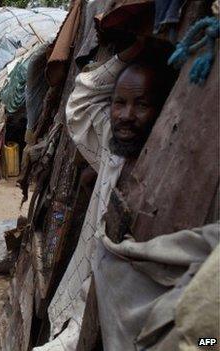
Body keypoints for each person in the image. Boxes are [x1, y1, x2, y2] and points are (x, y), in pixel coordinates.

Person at [42, 38, 178, 349]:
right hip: (78, 302)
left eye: (141, 104)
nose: (126, 115)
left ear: (163, 109)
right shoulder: (110, 149)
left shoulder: (168, 170)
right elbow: (81, 98)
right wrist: (133, 48)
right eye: (119, 102)